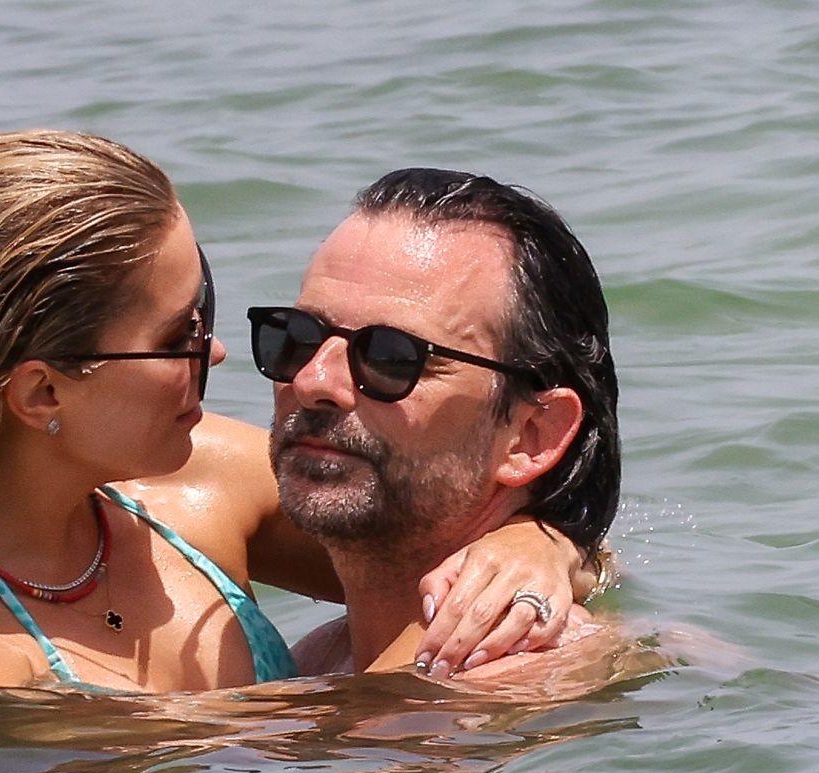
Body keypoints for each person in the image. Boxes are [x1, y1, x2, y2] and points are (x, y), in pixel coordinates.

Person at [0, 132, 594, 705]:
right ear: (42, 395)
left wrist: (538, 546)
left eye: (207, 308)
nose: (214, 351)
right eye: (178, 335)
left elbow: (439, 528)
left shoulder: (204, 482)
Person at [254, 167, 622, 680]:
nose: (313, 380)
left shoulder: (516, 679)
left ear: (531, 435)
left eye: (391, 357)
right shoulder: (324, 660)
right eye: (298, 336)